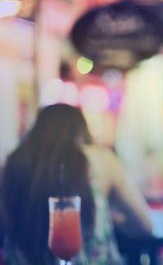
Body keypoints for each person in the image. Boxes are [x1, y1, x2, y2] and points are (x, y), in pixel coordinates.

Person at [0, 104, 153, 264]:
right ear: (81, 130)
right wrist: (109, 219)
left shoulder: (12, 163)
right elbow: (144, 226)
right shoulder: (101, 159)